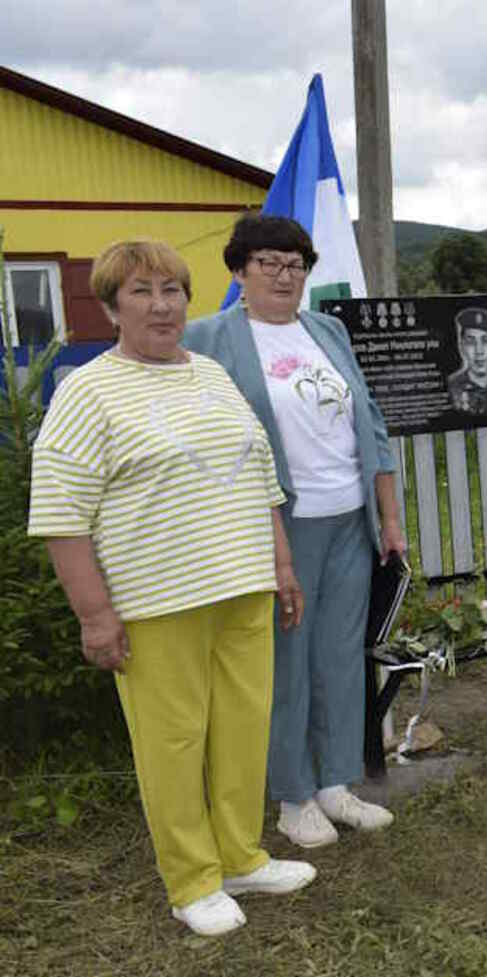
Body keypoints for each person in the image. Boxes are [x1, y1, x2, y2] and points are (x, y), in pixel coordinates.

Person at [29, 240, 315, 936]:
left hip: (242, 589)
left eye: (172, 291)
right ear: (109, 307)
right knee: (174, 741)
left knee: (245, 732)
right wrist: (95, 616)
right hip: (157, 604)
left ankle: (241, 854)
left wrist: (279, 567)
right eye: (141, 292)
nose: (161, 305)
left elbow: (261, 478)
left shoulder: (212, 375)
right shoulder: (86, 392)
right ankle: (192, 880)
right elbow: (62, 514)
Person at [185, 214, 407, 849]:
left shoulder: (327, 330)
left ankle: (336, 783)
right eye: (268, 263)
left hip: (348, 520)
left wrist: (389, 518)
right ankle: (292, 795)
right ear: (239, 270)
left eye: (295, 264)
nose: (285, 276)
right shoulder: (209, 339)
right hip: (274, 528)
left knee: (340, 656)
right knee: (285, 663)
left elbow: (373, 426)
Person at [445, 306, 487, 413]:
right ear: (462, 346)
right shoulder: (453, 384)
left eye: (486, 341)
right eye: (471, 342)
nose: (479, 351)